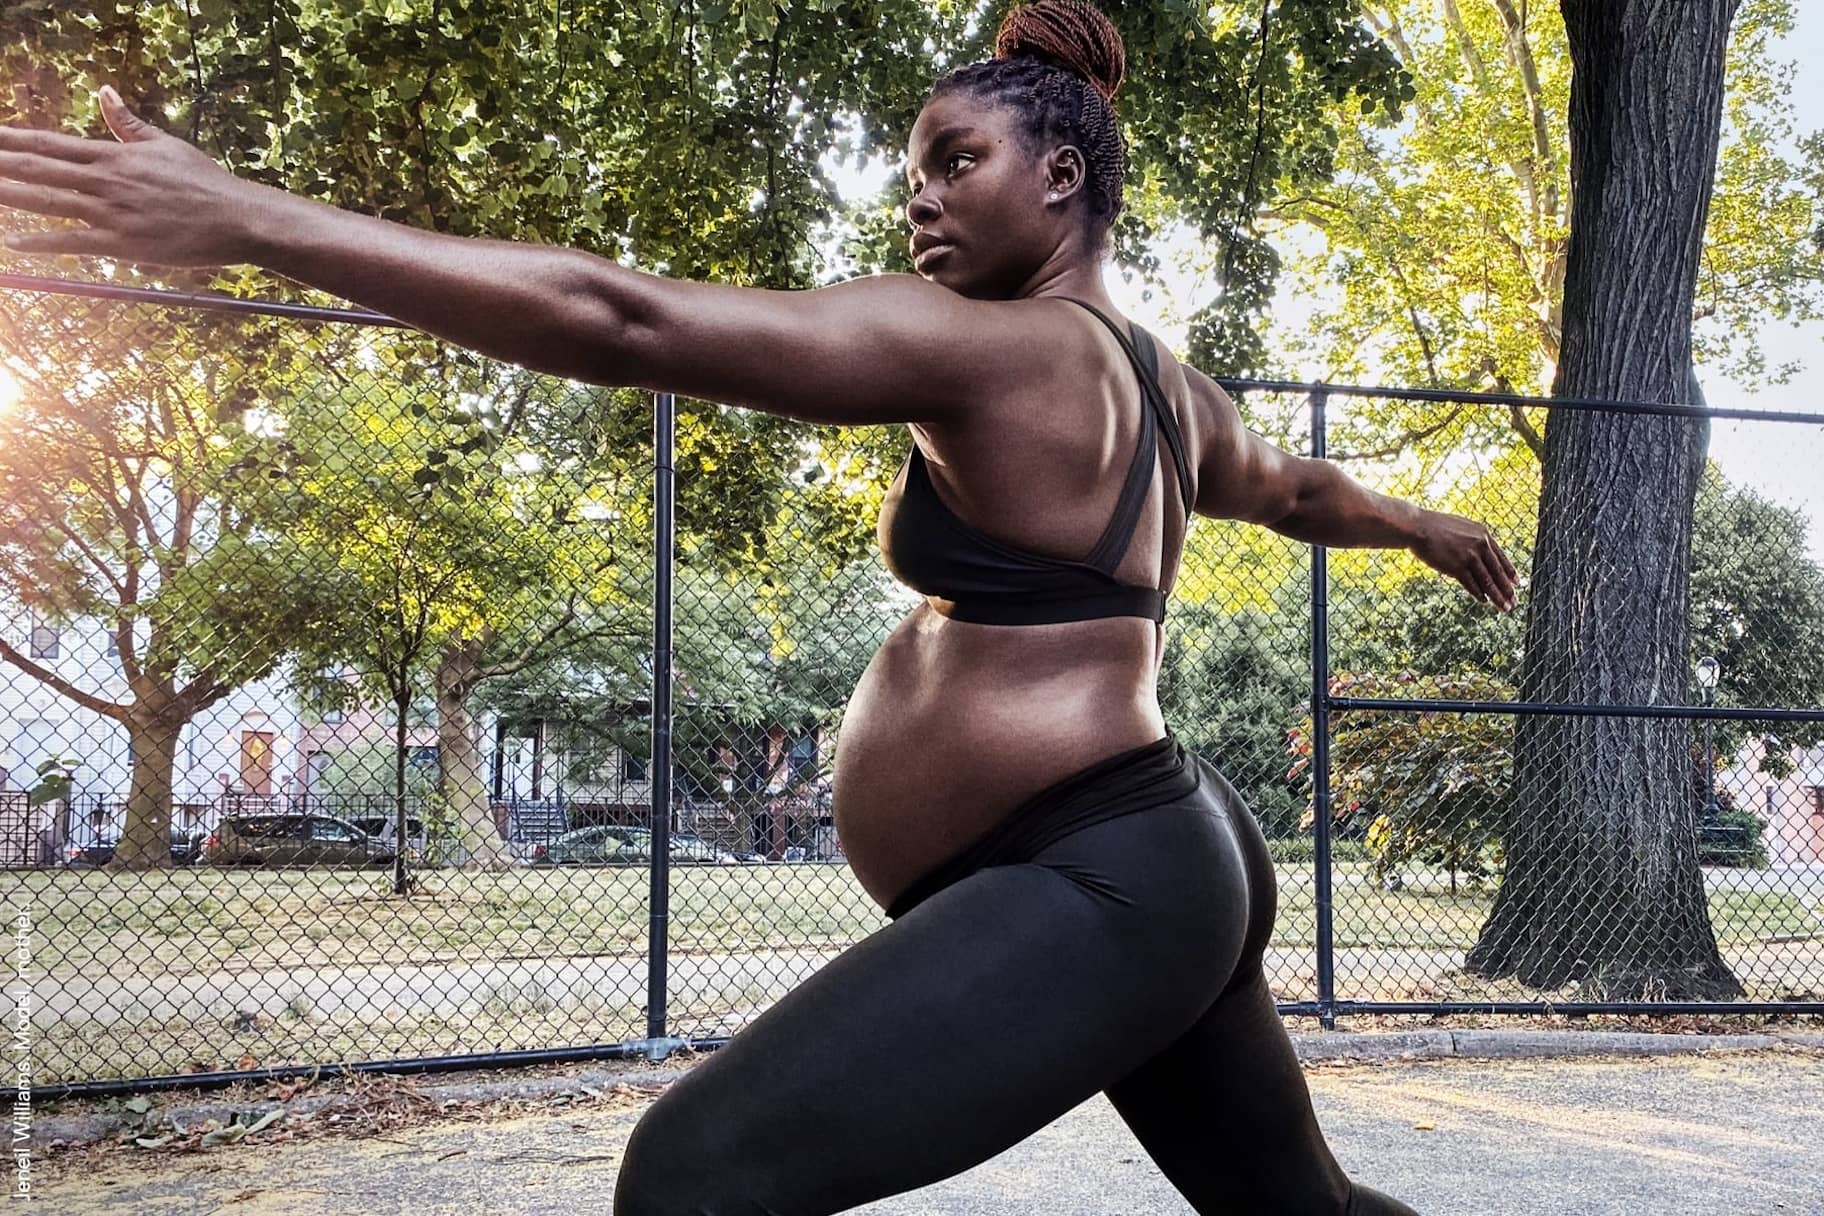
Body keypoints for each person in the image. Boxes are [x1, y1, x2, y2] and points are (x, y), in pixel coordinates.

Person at [0, 3, 1517, 1210]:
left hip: (1100, 870)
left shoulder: (983, 349)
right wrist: (1427, 525)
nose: (916, 197)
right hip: (1159, 852)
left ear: (1061, 177)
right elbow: (1304, 493)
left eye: (952, 160)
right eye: (910, 168)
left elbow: (623, 315)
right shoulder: (1169, 388)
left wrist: (254, 216)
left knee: (695, 1179)